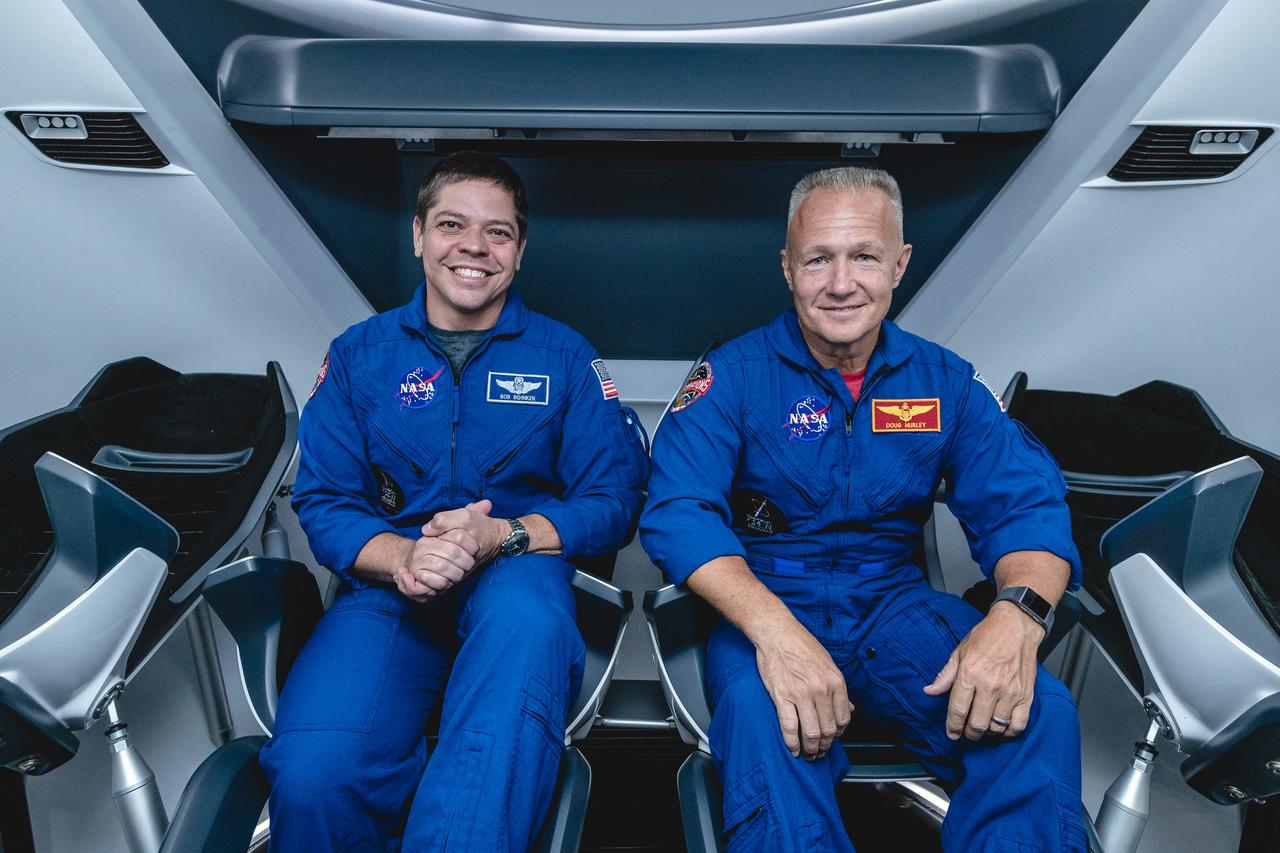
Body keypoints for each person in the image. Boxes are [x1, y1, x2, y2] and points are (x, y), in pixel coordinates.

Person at [640, 166, 1087, 851]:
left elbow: (1027, 508)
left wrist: (1016, 618)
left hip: (892, 606)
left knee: (1038, 711)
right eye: (818, 259)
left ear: (899, 265)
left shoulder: (944, 383)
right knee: (767, 727)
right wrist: (779, 636)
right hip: (766, 602)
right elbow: (678, 511)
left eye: (865, 257)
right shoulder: (733, 376)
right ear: (788, 269)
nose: (841, 283)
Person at [260, 151, 648, 852]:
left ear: (520, 251)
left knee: (485, 770)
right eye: (451, 224)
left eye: (498, 232)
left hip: (519, 581)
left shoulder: (565, 358)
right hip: (387, 592)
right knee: (315, 775)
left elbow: (614, 499)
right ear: (418, 234)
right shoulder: (358, 356)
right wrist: (404, 556)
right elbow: (325, 501)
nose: (474, 246)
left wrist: (504, 534)